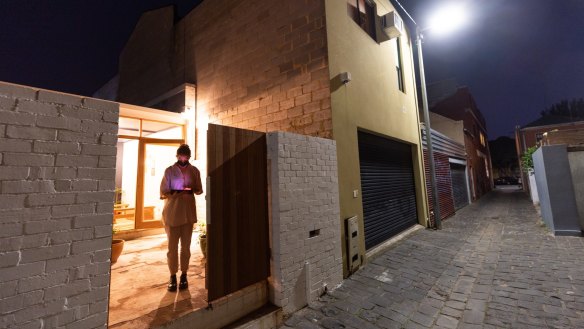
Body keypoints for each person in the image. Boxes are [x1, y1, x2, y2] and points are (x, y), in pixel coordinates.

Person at [160, 144, 203, 291]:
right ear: (177, 156)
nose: (183, 158)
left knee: (185, 248)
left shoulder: (194, 171)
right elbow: (163, 191)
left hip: (188, 214)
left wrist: (192, 189)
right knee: (172, 248)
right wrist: (175, 192)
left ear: (189, 157)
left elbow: (199, 190)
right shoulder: (170, 171)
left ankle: (184, 274)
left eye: (186, 156)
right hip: (172, 213)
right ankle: (172, 275)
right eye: (181, 156)